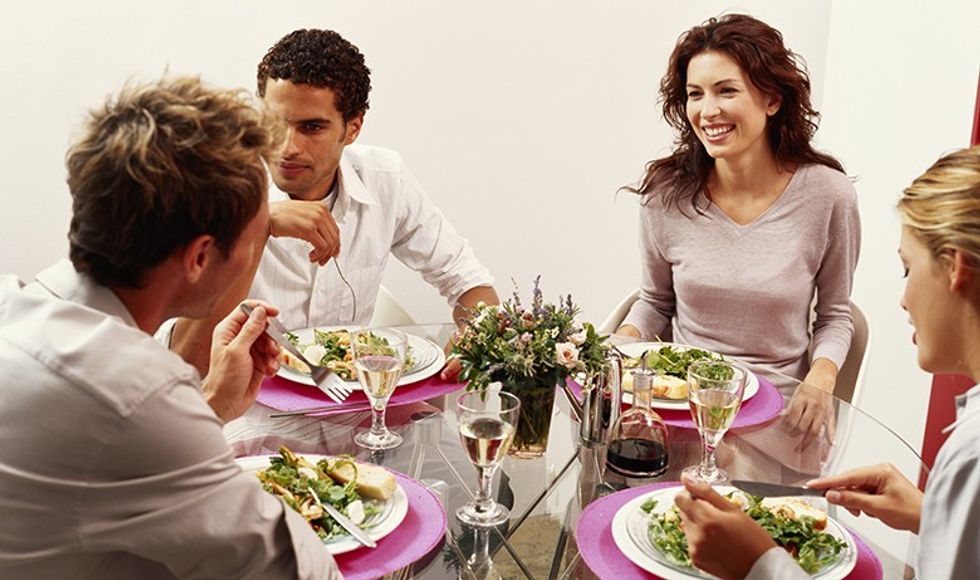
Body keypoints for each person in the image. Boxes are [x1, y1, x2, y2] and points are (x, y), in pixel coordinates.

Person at [0, 77, 340, 579]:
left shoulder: (17, 303)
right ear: (201, 257)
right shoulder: (135, 393)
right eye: (257, 234)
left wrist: (210, 408)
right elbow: (292, 571)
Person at [675, 145, 980, 579]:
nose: (903, 299)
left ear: (956, 269)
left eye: (907, 269)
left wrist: (759, 564)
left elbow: (836, 315)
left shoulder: (972, 458)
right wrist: (929, 515)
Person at [170, 28, 499, 377]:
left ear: (353, 127)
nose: (287, 146)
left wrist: (473, 338)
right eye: (274, 122)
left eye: (311, 127)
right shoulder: (215, 188)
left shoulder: (385, 179)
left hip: (351, 407)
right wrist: (257, 226)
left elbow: (470, 283)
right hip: (243, 411)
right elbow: (183, 360)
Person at [615, 14, 860, 438]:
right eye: (695, 94)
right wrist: (625, 339)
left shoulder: (828, 195)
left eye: (726, 91)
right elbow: (656, 301)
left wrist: (822, 377)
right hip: (683, 413)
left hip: (781, 416)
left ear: (773, 99)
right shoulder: (665, 195)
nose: (708, 111)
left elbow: (835, 315)